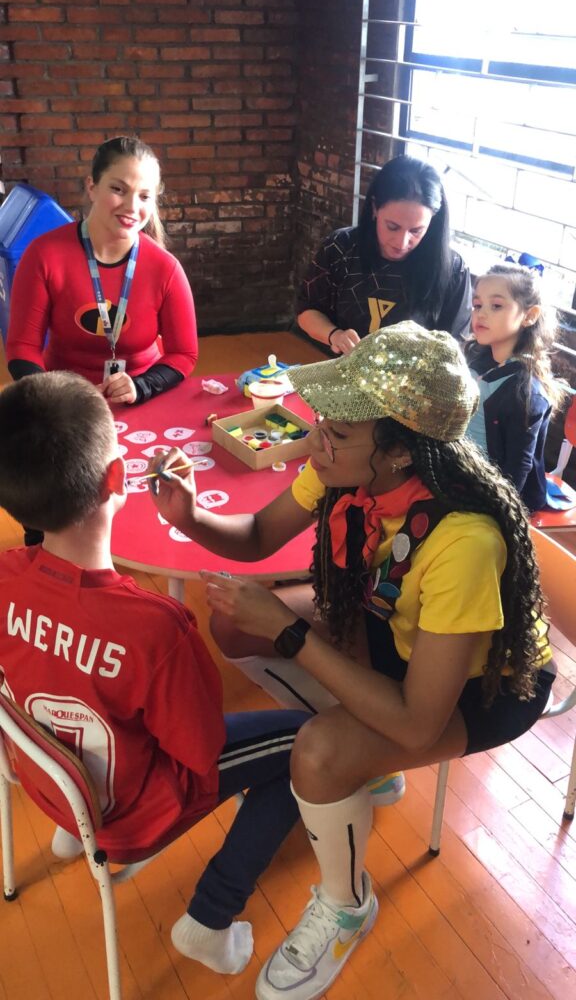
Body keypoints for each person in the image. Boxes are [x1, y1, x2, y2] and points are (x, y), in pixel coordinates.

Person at [148, 323, 555, 1000]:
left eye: (336, 431)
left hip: (483, 690)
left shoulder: (464, 542)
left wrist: (289, 632)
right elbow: (256, 535)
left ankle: (346, 905)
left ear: (400, 452)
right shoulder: (348, 470)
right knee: (233, 623)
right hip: (393, 632)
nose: (315, 442)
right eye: (321, 425)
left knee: (319, 752)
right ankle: (366, 759)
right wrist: (189, 517)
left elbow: (419, 722)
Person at [0, 371, 309, 976]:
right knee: (306, 741)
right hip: (133, 817)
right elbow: (201, 750)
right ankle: (210, 917)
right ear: (119, 478)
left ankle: (73, 829)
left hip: (50, 786)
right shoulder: (157, 628)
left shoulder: (5, 576)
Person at [6, 136, 198, 406]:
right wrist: (52, 398)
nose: (132, 206)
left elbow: (184, 353)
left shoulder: (166, 268)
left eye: (144, 196)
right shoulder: (43, 255)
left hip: (139, 398)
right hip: (63, 400)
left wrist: (141, 386)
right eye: (118, 189)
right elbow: (22, 346)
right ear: (92, 187)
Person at [296, 154, 471, 355]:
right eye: (392, 227)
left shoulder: (453, 269)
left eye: (416, 231)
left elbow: (454, 348)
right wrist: (335, 335)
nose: (401, 242)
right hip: (339, 367)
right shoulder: (341, 247)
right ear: (374, 208)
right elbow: (306, 310)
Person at [466, 262, 567, 511]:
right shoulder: (474, 358)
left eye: (496, 306)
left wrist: (491, 514)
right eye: (477, 305)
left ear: (529, 316)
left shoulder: (526, 392)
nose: (481, 314)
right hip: (457, 471)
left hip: (489, 494)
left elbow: (515, 474)